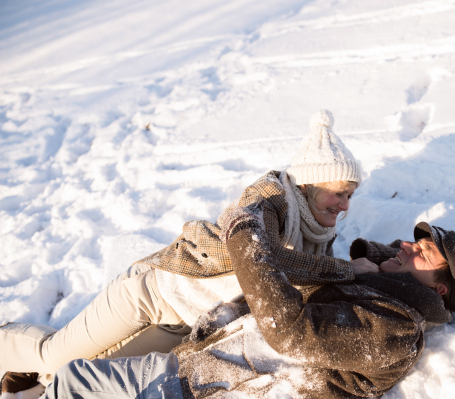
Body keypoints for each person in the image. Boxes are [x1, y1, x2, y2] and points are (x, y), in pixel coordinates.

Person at [0, 110, 379, 391]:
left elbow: (309, 282)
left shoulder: (318, 232)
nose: (344, 205)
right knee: (55, 356)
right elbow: (262, 258)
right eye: (338, 193)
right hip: (149, 294)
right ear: (310, 184)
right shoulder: (271, 199)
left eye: (350, 195)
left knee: (91, 370)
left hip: (183, 324)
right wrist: (346, 271)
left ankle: (20, 380)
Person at [33, 218, 455, 399]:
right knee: (71, 378)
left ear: (439, 291)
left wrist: (245, 238)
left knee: (73, 381)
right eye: (413, 240)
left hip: (204, 389)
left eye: (424, 253)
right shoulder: (369, 288)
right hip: (192, 369)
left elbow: (288, 332)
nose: (408, 246)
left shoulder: (398, 331)